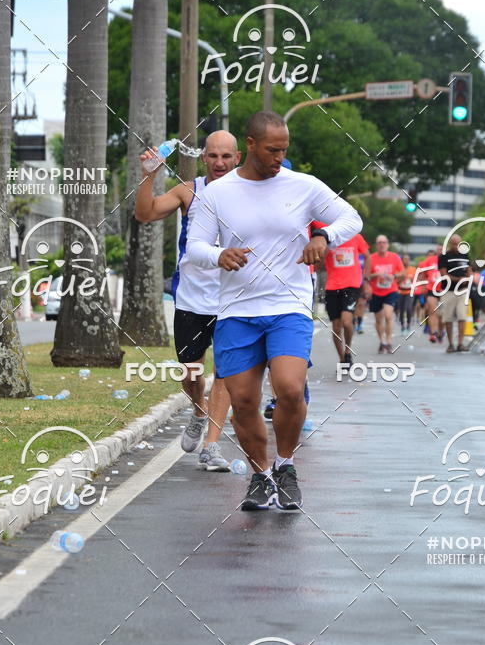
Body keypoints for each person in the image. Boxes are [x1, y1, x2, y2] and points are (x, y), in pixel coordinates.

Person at [187, 110, 361, 511]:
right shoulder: (218, 193)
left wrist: (323, 235)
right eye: (272, 150)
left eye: (284, 149)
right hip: (236, 310)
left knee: (289, 387)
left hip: (288, 306)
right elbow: (195, 247)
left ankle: (286, 465)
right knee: (244, 402)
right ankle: (261, 475)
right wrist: (219, 255)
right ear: (249, 145)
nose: (279, 157)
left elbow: (352, 218)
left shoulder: (302, 185)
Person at [135, 130, 241, 470]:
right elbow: (146, 214)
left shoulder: (248, 193)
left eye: (226, 156)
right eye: (213, 156)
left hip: (233, 300)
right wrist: (149, 175)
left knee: (224, 372)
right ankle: (198, 410)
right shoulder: (189, 191)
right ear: (203, 157)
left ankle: (212, 445)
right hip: (192, 298)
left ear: (237, 158)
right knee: (191, 371)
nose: (220, 163)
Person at [311, 220, 369, 367]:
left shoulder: (355, 236)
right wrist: (324, 252)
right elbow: (318, 265)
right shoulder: (328, 239)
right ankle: (342, 359)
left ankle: (348, 351)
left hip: (352, 285)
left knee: (347, 322)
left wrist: (366, 279)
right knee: (336, 327)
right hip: (332, 286)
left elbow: (367, 256)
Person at [367, 235, 404, 353]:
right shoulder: (371, 258)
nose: (382, 244)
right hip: (375, 291)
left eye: (384, 242)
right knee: (378, 319)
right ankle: (382, 341)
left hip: (390, 290)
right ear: (376, 245)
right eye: (379, 243)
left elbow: (403, 272)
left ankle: (389, 341)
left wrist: (394, 276)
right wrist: (376, 275)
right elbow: (366, 275)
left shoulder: (394, 257)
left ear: (387, 244)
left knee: (388, 315)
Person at [438, 234, 471, 352]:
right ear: (450, 244)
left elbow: (468, 269)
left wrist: (468, 278)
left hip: (462, 291)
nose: (456, 245)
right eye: (454, 243)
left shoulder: (464, 255)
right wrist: (458, 280)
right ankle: (451, 343)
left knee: (462, 317)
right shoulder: (444, 257)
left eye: (458, 243)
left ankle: (460, 343)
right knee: (448, 318)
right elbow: (443, 274)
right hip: (448, 291)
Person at [415, 249, 443, 343]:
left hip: (443, 290)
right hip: (430, 289)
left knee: (441, 314)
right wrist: (423, 285)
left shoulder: (446, 261)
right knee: (431, 311)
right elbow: (421, 274)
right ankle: (432, 333)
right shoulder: (428, 262)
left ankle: (440, 331)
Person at [397, 254, 416, 334]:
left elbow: (416, 280)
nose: (406, 261)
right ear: (402, 260)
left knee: (408, 308)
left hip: (409, 291)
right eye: (405, 259)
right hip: (400, 291)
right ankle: (402, 326)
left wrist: (412, 279)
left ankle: (408, 324)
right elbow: (396, 281)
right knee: (401, 309)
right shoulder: (399, 269)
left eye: (408, 259)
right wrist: (402, 277)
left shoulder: (413, 269)